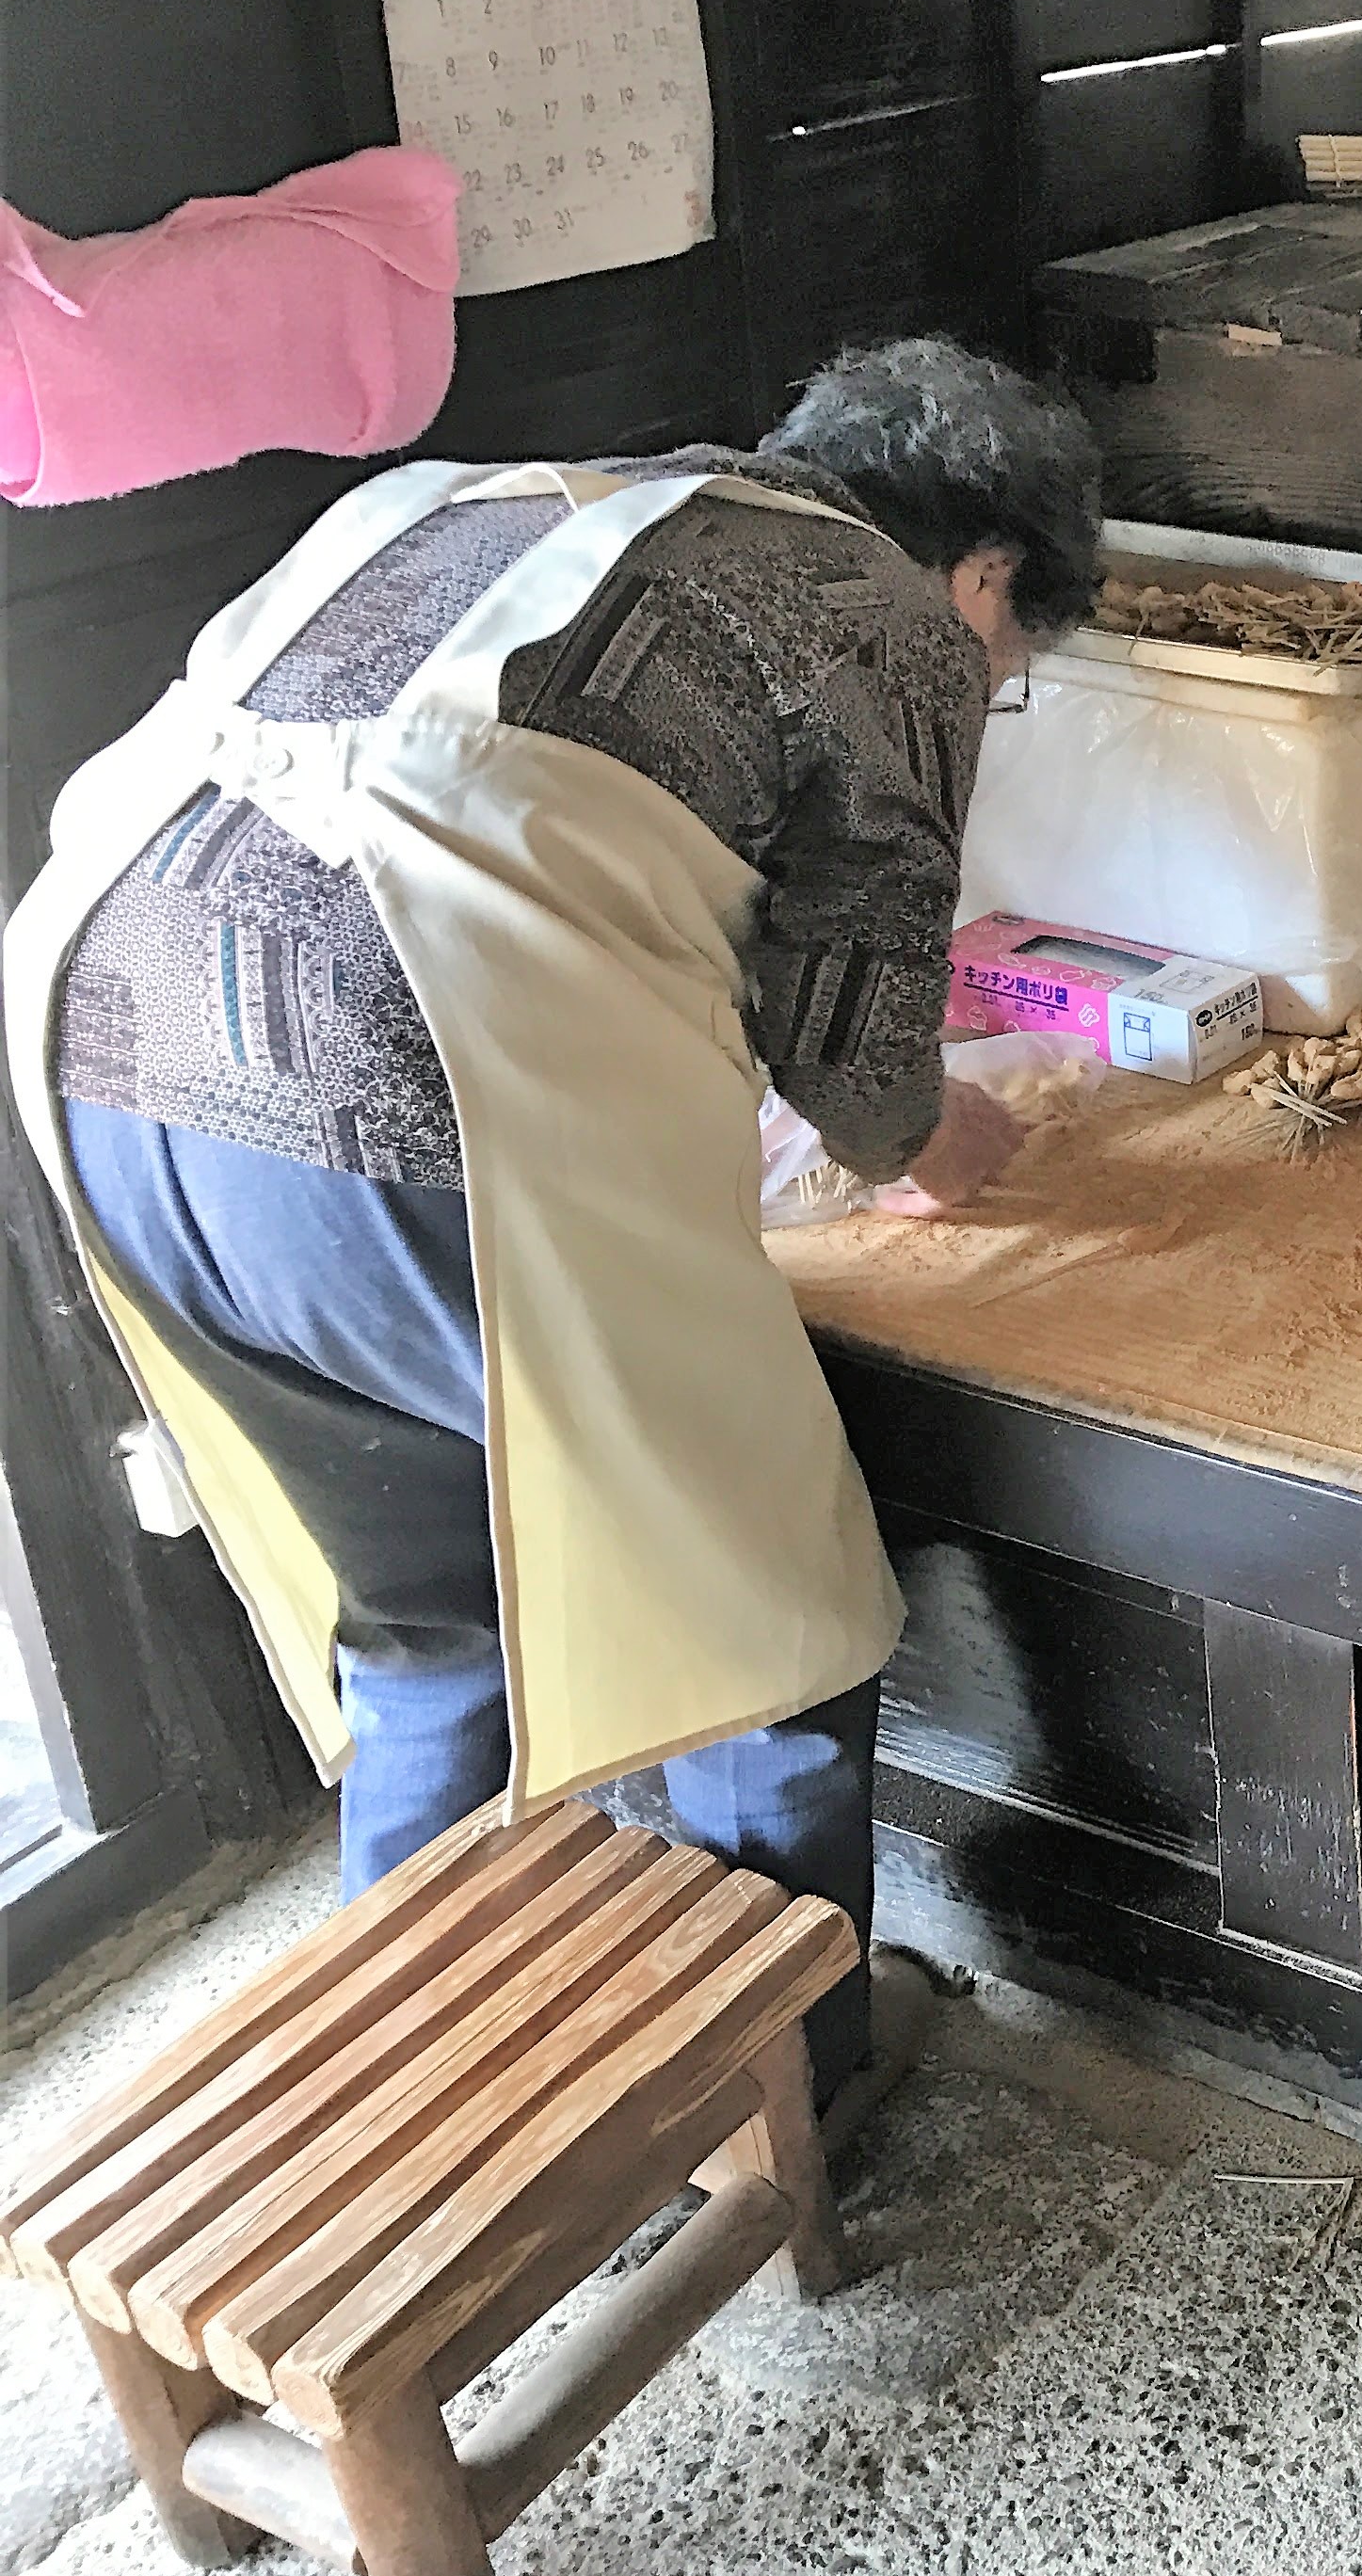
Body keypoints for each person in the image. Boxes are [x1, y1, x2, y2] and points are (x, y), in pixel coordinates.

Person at [5, 339, 1104, 2103]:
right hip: (400, 1104)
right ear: (982, 572)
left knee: (434, 1608)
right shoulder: (887, 617)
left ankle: (425, 2074)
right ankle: (793, 2082)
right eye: (1015, 652)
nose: (989, 679)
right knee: (767, 1610)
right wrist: (932, 1135)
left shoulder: (519, 493)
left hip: (101, 1058)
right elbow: (862, 1078)